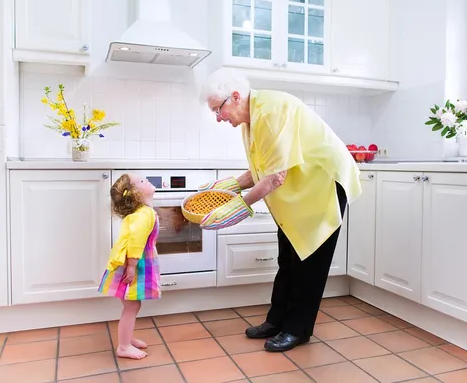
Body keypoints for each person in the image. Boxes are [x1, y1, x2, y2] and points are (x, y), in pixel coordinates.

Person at [198, 68, 362, 352]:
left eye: (218, 109)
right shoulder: (250, 118)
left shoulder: (271, 111)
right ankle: (277, 321)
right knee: (287, 257)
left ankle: (297, 329)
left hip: (324, 184)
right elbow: (259, 169)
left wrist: (237, 206)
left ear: (235, 97)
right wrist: (228, 189)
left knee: (309, 261)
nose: (218, 117)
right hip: (302, 189)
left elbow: (275, 177)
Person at [98, 174, 161, 359]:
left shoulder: (144, 212)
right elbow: (135, 241)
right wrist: (132, 267)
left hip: (133, 263)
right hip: (133, 264)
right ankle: (124, 347)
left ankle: (127, 337)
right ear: (135, 194)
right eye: (141, 181)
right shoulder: (144, 214)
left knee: (132, 304)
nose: (146, 179)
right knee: (132, 305)